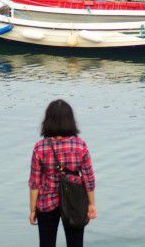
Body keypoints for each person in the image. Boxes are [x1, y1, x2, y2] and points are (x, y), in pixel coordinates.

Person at [29, 99, 97, 247]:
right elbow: (88, 178)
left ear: (47, 120)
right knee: (75, 244)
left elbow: (35, 182)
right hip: (75, 201)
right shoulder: (80, 145)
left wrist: (33, 209)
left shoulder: (40, 147)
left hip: (47, 202)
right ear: (70, 120)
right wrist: (91, 204)